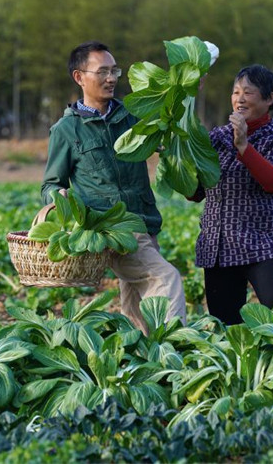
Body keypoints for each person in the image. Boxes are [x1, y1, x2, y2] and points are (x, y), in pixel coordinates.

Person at [41, 41, 186, 333]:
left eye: (114, 71)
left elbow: (167, 134)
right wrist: (58, 198)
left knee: (136, 310)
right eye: (103, 71)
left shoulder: (133, 118)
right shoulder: (66, 131)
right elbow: (51, 183)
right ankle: (177, 351)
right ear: (79, 77)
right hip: (108, 231)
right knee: (165, 279)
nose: (111, 78)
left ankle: (145, 365)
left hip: (141, 223)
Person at [192, 64, 273, 324]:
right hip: (219, 247)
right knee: (227, 326)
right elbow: (195, 193)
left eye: (248, 93)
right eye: (236, 92)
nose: (239, 99)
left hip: (262, 244)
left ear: (269, 98)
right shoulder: (217, 137)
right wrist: (179, 160)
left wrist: (243, 145)